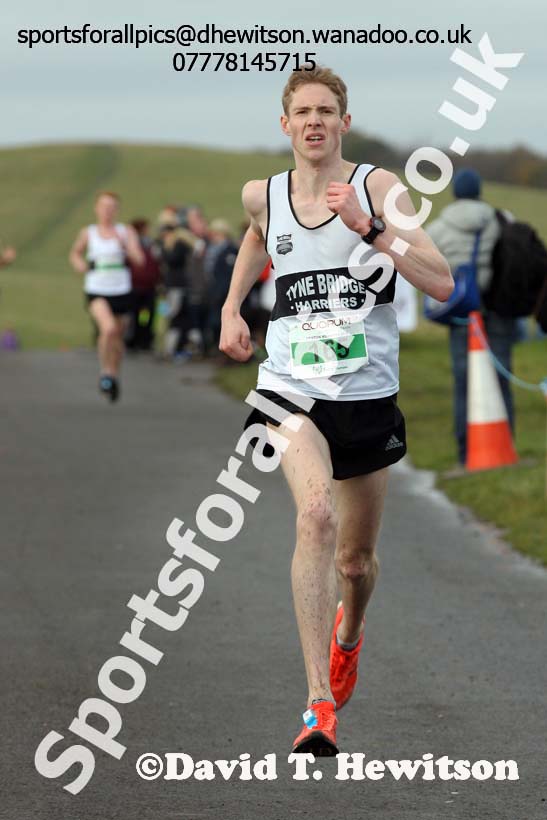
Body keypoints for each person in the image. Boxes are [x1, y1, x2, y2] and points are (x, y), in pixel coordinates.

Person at [220, 65, 452, 755]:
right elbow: (257, 235)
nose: (314, 121)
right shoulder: (259, 194)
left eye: (327, 110)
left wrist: (371, 229)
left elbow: (439, 281)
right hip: (291, 389)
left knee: (355, 562)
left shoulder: (380, 189)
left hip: (365, 396)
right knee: (313, 515)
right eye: (302, 111)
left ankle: (348, 633)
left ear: (344, 123)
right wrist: (233, 306)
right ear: (284, 124)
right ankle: (318, 705)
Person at [427, 169, 519, 466]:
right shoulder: (499, 218)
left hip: (461, 314)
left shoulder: (439, 227)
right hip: (496, 309)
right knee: (501, 376)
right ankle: (506, 445)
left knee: (464, 382)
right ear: (479, 190)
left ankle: (465, 451)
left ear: (455, 192)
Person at [69, 192, 144, 402]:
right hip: (96, 289)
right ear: (96, 208)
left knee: (117, 338)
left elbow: (139, 259)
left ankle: (113, 374)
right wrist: (79, 264)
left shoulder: (125, 232)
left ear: (117, 210)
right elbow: (75, 253)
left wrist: (125, 247)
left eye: (112, 207)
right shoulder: (89, 232)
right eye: (104, 206)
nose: (108, 211)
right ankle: (105, 373)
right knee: (108, 329)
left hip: (121, 290)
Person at [125, 218, 162, 352]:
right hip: (134, 288)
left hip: (148, 289)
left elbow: (156, 265)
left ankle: (144, 337)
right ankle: (132, 339)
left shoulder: (151, 245)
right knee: (133, 315)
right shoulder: (131, 246)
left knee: (145, 314)